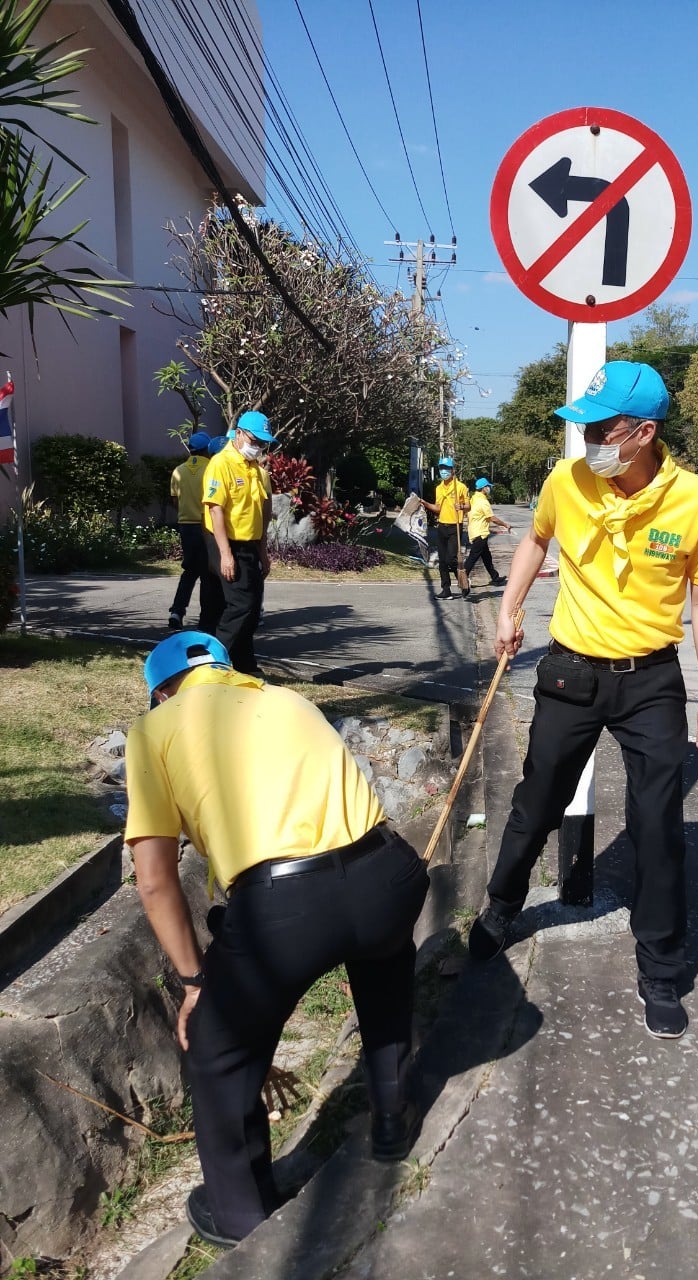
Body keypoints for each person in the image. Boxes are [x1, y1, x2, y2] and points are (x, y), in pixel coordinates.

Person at [125, 632, 429, 1248]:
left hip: (283, 908)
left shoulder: (152, 732)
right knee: (385, 975)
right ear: (225, 670)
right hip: (387, 871)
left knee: (218, 1053)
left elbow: (154, 882)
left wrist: (194, 984)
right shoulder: (287, 699)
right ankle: (392, 1123)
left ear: (162, 693)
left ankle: (242, 1221)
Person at [468, 361, 698, 1042]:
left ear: (644, 432)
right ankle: (502, 906)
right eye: (582, 428)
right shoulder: (567, 480)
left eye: (601, 428)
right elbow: (535, 540)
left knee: (658, 823)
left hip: (651, 681)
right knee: (538, 799)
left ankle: (661, 967)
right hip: (571, 672)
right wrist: (509, 608)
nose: (587, 440)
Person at [202, 411, 274, 675]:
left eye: (263, 443)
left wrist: (263, 552)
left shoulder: (255, 469)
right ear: (240, 433)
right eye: (255, 441)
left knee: (252, 609)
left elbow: (262, 513)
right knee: (240, 605)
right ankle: (211, 663)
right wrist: (225, 554)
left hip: (250, 544)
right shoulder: (221, 463)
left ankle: (245, 665)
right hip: (226, 541)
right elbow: (215, 509)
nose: (258, 447)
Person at [168, 432, 217, 631]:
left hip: (186, 525)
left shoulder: (178, 470)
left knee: (189, 571)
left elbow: (175, 500)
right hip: (206, 526)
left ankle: (177, 612)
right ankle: (206, 620)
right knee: (207, 574)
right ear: (207, 449)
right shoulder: (212, 468)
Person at [420, 456, 470, 600]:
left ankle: (463, 581)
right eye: (441, 468)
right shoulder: (439, 488)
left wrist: (461, 506)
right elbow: (438, 508)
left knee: (451, 559)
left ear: (452, 470)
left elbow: (468, 506)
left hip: (455, 526)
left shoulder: (460, 487)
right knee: (442, 560)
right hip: (442, 526)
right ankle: (446, 590)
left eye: (446, 468)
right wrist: (424, 503)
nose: (444, 471)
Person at [463, 478, 512, 589]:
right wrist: (505, 525)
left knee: (487, 557)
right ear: (483, 488)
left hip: (474, 531)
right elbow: (492, 518)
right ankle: (462, 578)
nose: (489, 488)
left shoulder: (473, 498)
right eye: (488, 486)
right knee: (473, 557)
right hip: (480, 533)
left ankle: (495, 577)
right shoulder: (483, 502)